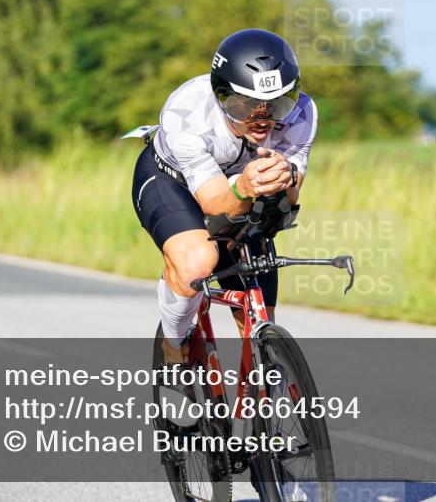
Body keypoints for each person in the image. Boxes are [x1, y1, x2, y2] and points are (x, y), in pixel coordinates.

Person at [130, 28, 318, 364]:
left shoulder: (301, 114)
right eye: (244, 104)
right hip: (172, 182)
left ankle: (263, 393)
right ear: (221, 96)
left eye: (276, 104)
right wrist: (245, 187)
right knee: (197, 265)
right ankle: (175, 341)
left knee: (259, 318)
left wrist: (286, 177)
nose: (262, 118)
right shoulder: (187, 114)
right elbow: (216, 204)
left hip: (242, 183)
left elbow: (289, 200)